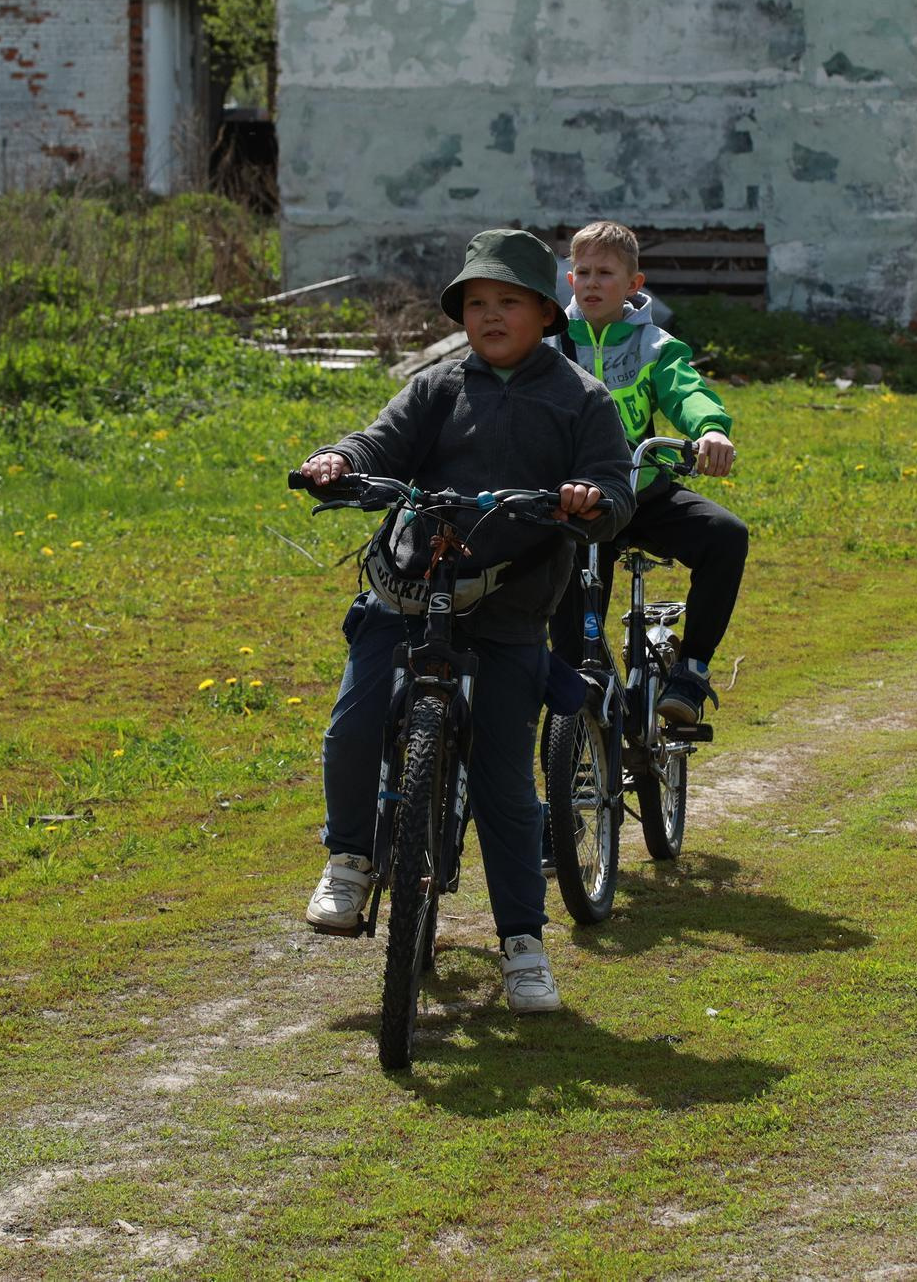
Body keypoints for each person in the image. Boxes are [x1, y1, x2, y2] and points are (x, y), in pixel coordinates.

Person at [294, 231, 633, 1014]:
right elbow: (380, 442)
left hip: (511, 604)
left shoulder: (583, 400)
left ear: (546, 312)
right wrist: (339, 461)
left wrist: (589, 497)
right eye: (475, 303)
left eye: (506, 301)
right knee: (350, 726)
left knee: (507, 784)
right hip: (410, 589)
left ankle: (523, 946)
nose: (489, 315)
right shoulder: (437, 385)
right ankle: (349, 862)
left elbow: (614, 492)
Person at [549, 221, 747, 727]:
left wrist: (710, 430)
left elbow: (686, 390)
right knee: (571, 660)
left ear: (634, 284)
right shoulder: (548, 344)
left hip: (641, 494)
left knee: (726, 535)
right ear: (570, 281)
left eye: (606, 274)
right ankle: (576, 743)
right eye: (584, 273)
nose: (592, 283)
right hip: (575, 504)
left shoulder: (654, 345)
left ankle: (691, 671)